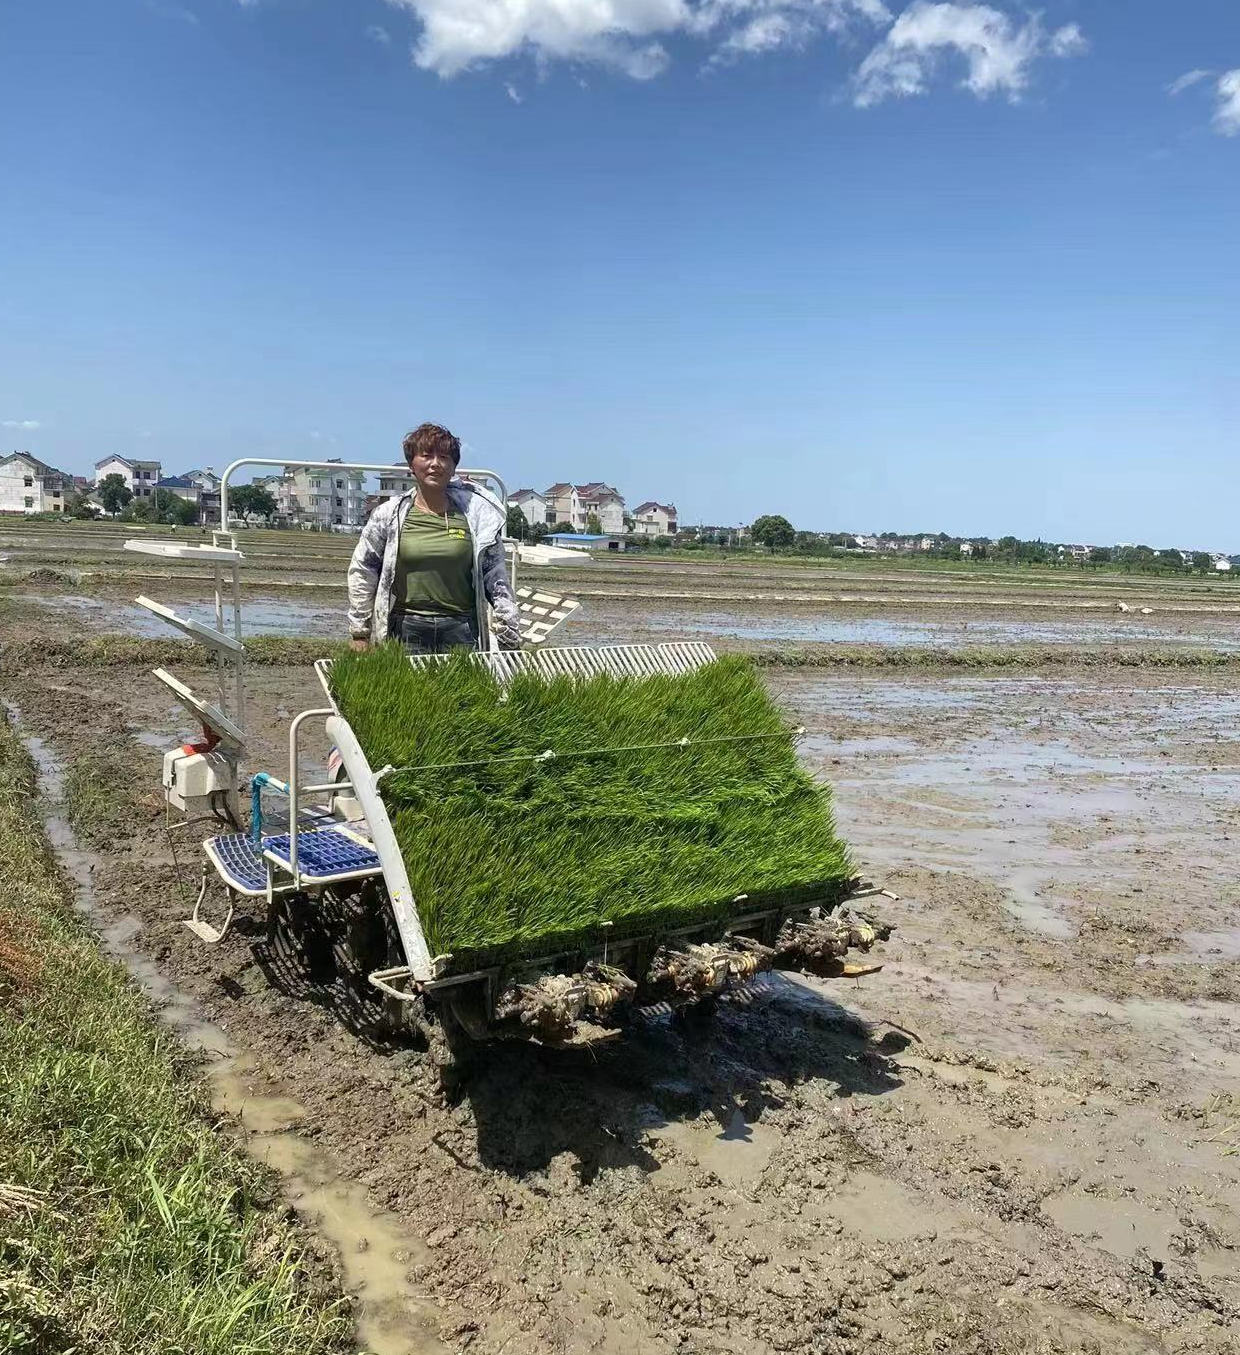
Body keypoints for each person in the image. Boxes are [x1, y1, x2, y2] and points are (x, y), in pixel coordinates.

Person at [347, 423, 521, 654]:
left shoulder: (478, 517)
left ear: (453, 467)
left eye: (444, 457)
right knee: (405, 691)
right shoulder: (388, 516)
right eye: (426, 455)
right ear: (412, 464)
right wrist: (360, 631)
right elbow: (364, 569)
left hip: (462, 629)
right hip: (407, 629)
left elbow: (495, 575)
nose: (435, 464)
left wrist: (509, 625)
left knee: (466, 690)